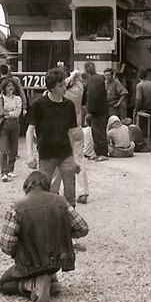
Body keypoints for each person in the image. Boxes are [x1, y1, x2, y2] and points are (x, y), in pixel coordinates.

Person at [0, 171, 89, 302]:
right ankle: (51, 280)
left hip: (29, 264)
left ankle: (32, 285)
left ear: (26, 187)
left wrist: (18, 250)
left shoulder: (17, 207)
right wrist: (63, 232)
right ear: (47, 187)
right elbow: (83, 228)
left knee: (4, 284)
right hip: (57, 262)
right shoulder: (61, 202)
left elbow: (6, 245)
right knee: (47, 266)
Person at [26, 68, 81, 207]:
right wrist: (29, 155)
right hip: (46, 154)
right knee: (44, 193)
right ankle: (47, 222)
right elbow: (30, 130)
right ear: (51, 88)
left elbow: (70, 132)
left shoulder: (69, 105)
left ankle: (69, 223)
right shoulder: (38, 105)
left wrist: (73, 157)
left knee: (70, 194)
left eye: (64, 84)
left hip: (65, 154)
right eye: (61, 85)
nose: (64, 88)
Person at [56, 68, 90, 205]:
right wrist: (72, 77)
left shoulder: (61, 95)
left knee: (59, 160)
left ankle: (55, 190)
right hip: (78, 129)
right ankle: (83, 192)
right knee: (79, 159)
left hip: (64, 131)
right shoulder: (79, 90)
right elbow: (78, 73)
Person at [0, 78, 22, 182]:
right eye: (8, 86)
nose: (11, 88)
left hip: (15, 124)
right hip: (4, 125)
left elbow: (17, 113)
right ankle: (4, 172)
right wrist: (10, 112)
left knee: (14, 149)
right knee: (4, 149)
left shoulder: (18, 99)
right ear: (4, 88)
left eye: (12, 86)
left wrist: (7, 113)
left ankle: (10, 169)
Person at [84, 62, 109, 161]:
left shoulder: (91, 80)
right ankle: (98, 153)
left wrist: (89, 110)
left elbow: (91, 95)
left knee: (98, 132)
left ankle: (102, 153)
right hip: (102, 109)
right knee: (97, 131)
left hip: (96, 110)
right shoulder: (100, 78)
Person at [134, 68, 151, 137]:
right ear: (147, 75)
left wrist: (136, 110)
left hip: (145, 111)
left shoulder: (139, 85)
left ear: (138, 76)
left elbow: (138, 101)